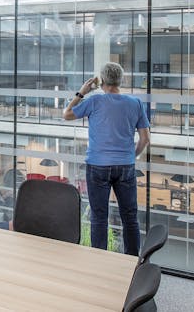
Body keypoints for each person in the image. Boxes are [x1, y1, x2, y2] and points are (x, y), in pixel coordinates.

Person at [64, 62, 150, 255]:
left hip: (97, 166)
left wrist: (81, 92)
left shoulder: (94, 101)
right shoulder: (135, 103)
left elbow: (67, 114)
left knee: (99, 217)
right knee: (129, 217)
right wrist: (131, 155)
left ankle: (100, 264)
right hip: (125, 166)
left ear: (102, 81)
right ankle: (132, 262)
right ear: (121, 80)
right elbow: (145, 139)